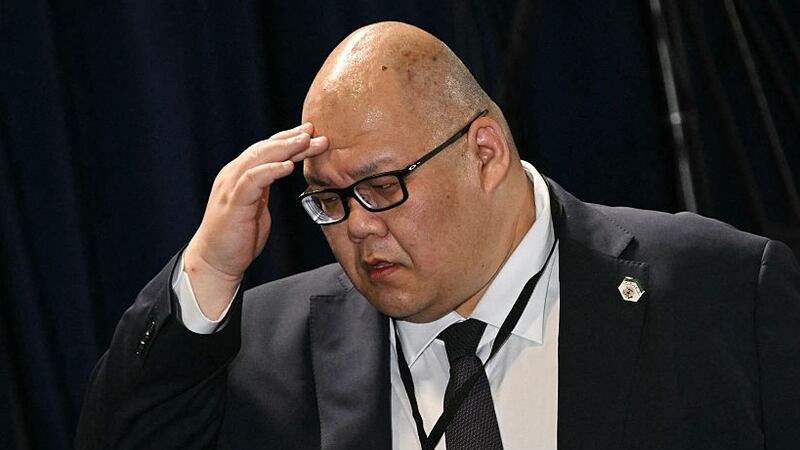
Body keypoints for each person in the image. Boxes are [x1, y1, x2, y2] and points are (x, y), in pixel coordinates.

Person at [77, 21, 800, 450]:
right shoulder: (266, 351)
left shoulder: (723, 289)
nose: (358, 225)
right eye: (328, 200)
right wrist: (208, 269)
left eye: (382, 185)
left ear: (485, 153)